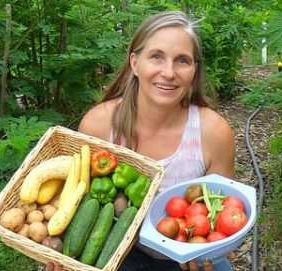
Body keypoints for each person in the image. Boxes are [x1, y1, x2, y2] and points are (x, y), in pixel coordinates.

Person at [46, 10, 235, 271]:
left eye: (182, 60)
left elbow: (225, 210)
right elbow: (74, 201)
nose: (168, 72)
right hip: (115, 252)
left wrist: (207, 248)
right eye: (156, 57)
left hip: (186, 254)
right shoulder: (98, 125)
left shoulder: (214, 131)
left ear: (194, 70)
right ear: (134, 63)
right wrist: (60, 248)